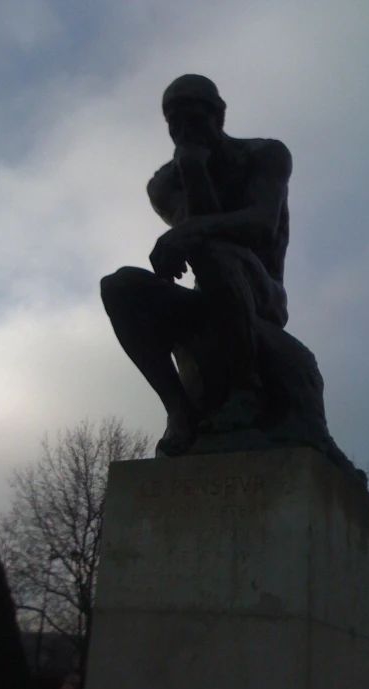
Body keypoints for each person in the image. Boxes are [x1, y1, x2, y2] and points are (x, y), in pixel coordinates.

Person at [101, 74, 292, 456]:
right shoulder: (163, 184)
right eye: (176, 123)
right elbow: (197, 229)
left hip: (262, 294)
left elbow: (259, 226)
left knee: (214, 250)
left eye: (194, 118)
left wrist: (190, 227)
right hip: (208, 296)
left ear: (219, 115)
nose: (185, 130)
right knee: (118, 285)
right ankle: (179, 411)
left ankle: (247, 391)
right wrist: (192, 169)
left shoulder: (264, 154)